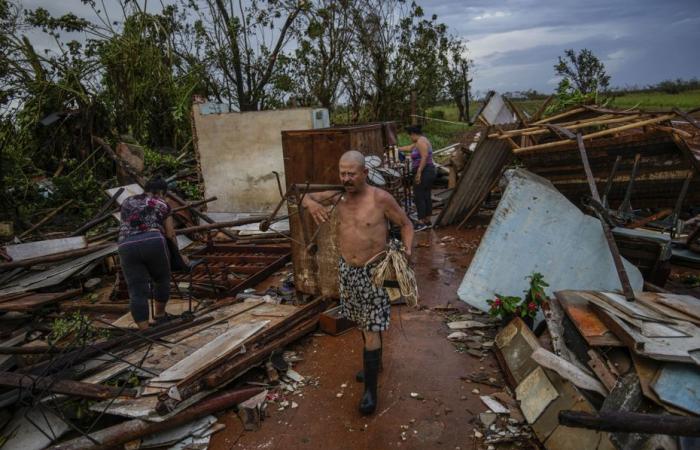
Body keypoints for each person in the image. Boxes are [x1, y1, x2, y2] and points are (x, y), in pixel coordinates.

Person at [302, 150, 414, 415]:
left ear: (365, 173)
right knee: (362, 320)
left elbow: (407, 225)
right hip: (348, 271)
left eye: (352, 173)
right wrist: (311, 204)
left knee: (371, 325)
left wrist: (408, 252)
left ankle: (370, 393)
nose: (346, 178)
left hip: (375, 272)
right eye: (342, 173)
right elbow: (303, 195)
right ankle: (375, 364)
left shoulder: (381, 199)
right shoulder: (337, 195)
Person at [117, 176, 187, 330]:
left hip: (126, 245)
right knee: (161, 279)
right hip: (153, 240)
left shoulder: (127, 201)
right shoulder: (163, 204)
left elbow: (125, 225)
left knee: (136, 290)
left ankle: (145, 331)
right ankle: (160, 316)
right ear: (162, 192)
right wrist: (178, 255)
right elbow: (170, 234)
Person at [398, 124, 436, 231]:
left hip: (424, 171)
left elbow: (424, 157)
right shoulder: (421, 141)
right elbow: (410, 148)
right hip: (428, 171)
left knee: (419, 195)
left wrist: (419, 172)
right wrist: (398, 149)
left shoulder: (420, 142)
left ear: (414, 134)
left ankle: (420, 222)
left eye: (410, 135)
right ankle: (427, 221)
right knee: (426, 194)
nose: (410, 138)